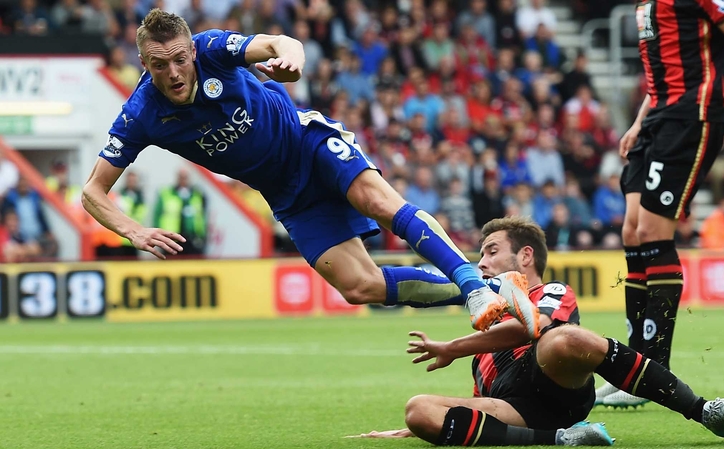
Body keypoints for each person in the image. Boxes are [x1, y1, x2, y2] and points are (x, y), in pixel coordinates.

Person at [81, 9, 532, 335]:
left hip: (308, 142)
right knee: (359, 286)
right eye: (160, 64)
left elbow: (279, 43)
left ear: (192, 50)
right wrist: (133, 230)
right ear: (144, 64)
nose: (174, 72)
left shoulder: (213, 49)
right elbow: (92, 192)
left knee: (377, 201)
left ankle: (472, 285)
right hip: (285, 193)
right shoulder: (141, 113)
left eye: (181, 59)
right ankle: (493, 288)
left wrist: (291, 61)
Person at [349, 217, 724, 446]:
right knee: (418, 409)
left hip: (554, 380)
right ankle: (561, 439)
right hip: (516, 410)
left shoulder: (551, 291)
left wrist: (455, 347)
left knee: (562, 338)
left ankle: (705, 411)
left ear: (525, 255)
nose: (482, 263)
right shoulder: (485, 332)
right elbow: (477, 404)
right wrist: (430, 424)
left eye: (492, 251)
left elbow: (532, 329)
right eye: (481, 255)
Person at [601, 0, 724, 407]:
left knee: (652, 231)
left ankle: (652, 373)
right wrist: (638, 123)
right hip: (658, 117)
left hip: (691, 117)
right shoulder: (645, 4)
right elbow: (661, 78)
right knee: (632, 231)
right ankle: (632, 370)